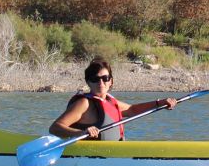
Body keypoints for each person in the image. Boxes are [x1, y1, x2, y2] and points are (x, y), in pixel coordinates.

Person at [49, 57, 178, 140]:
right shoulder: (84, 103)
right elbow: (55, 128)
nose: (101, 83)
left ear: (111, 81)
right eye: (95, 79)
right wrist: (81, 133)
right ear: (88, 82)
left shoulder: (111, 102)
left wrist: (160, 103)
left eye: (105, 78)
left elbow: (132, 110)